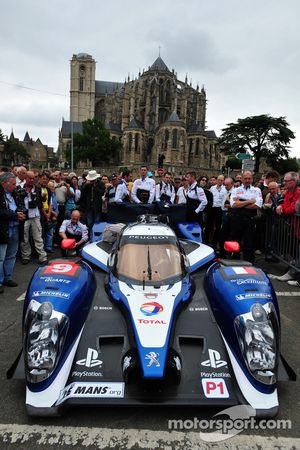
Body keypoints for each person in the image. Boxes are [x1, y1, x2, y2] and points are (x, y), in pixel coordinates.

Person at [270, 172, 300, 282]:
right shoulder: (288, 192)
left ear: (293, 181)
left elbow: (293, 209)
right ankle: (293, 272)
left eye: (286, 181)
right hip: (294, 226)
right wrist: (280, 206)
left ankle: (293, 274)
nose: (284, 183)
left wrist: (282, 210)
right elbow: (287, 205)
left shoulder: (298, 192)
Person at [0, 173, 26, 293]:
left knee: (11, 255)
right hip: (3, 229)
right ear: (4, 183)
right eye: (13, 184)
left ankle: (7, 278)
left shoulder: (15, 194)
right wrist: (15, 215)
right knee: (1, 257)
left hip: (15, 227)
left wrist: (21, 213)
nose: (15, 186)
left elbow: (20, 207)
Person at [229, 170, 262, 263]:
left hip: (250, 220)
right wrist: (249, 201)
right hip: (237, 219)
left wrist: (240, 201)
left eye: (249, 178)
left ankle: (249, 263)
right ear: (242, 179)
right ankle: (235, 261)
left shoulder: (257, 190)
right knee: (235, 241)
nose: (247, 180)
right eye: (245, 178)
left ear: (252, 179)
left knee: (249, 243)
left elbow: (257, 205)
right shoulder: (236, 190)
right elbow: (233, 205)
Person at [20, 171, 48, 265]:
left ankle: (42, 257)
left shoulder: (38, 187)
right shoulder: (20, 188)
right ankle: (26, 256)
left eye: (33, 178)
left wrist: (43, 198)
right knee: (25, 238)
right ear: (26, 178)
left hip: (35, 215)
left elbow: (41, 201)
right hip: (24, 216)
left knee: (38, 237)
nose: (32, 180)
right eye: (30, 178)